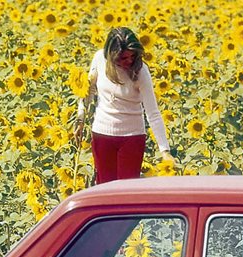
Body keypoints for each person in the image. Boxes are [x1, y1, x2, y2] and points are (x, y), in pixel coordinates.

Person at [74, 27, 173, 184]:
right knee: (104, 187)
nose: (129, 61)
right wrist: (80, 118)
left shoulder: (141, 71)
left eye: (132, 56)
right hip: (102, 134)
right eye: (123, 58)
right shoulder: (99, 59)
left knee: (127, 189)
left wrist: (164, 150)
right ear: (111, 55)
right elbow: (89, 90)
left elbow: (153, 113)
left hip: (132, 138)